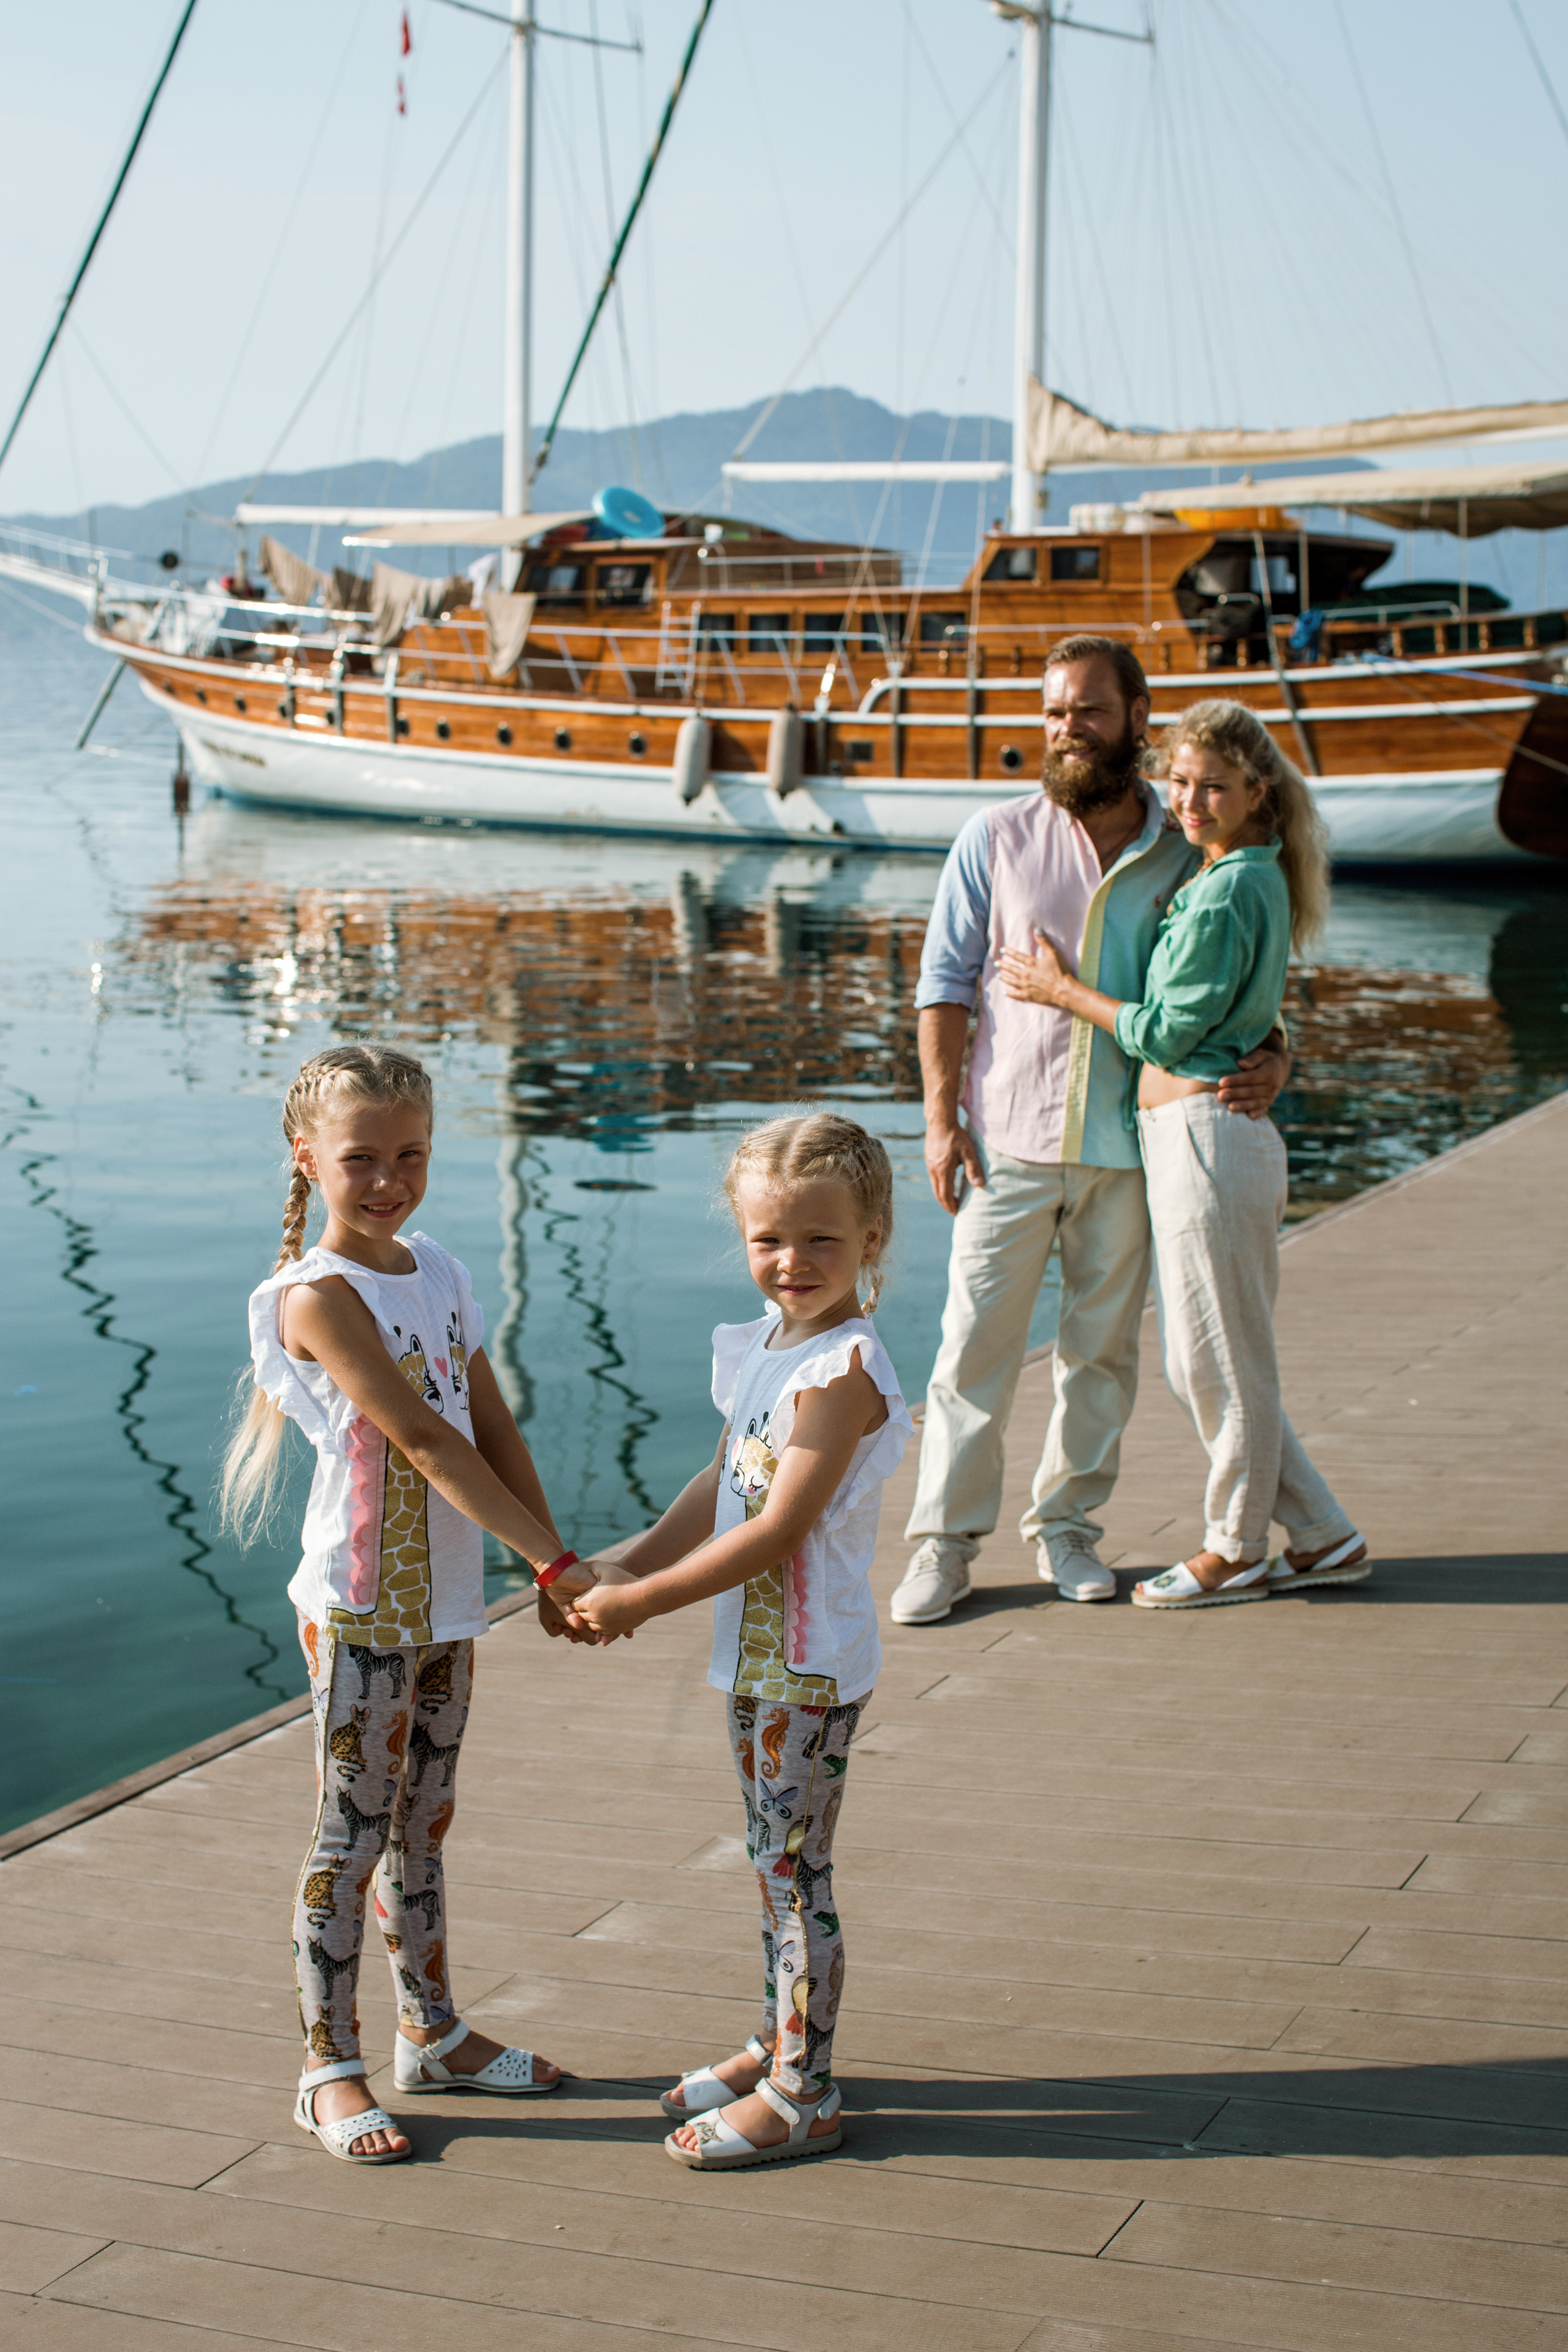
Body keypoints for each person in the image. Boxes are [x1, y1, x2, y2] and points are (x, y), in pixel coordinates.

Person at [222, 1043, 598, 2164]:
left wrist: (549, 1559)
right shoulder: (315, 1296)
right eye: (361, 1159)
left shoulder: (436, 1267)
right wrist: (551, 1565)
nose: (389, 1179)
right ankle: (326, 2066)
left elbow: (490, 1423)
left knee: (423, 1825)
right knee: (349, 1833)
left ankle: (430, 2033)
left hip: (445, 1608)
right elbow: (425, 1441)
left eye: (412, 1155)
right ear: (308, 1159)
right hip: (360, 1611)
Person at [892, 635, 1289, 1625]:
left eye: (1089, 712)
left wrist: (1279, 1051)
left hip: (1131, 1149)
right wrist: (941, 1121)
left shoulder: (1187, 840)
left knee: (1100, 1358)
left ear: (1138, 717)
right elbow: (943, 988)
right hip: (1007, 1141)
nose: (1068, 731)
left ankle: (1068, 1530)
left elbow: (1235, 970)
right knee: (972, 1353)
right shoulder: (995, 835)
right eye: (1055, 713)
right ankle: (943, 1546)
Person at [569, 1112, 913, 2168]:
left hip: (806, 1666)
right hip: (759, 1664)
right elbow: (721, 1485)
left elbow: (778, 1529)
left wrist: (644, 1604)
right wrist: (628, 1560)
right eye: (770, 1239)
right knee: (772, 1863)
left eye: (821, 1239)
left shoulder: (844, 1366)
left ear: (872, 1237)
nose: (792, 1262)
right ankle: (777, 2040)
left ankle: (807, 2091)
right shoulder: (770, 1345)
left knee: (794, 1871)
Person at [1013, 699, 1369, 1605]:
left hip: (1206, 1138)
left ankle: (1235, 1546)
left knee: (1218, 1362)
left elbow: (1167, 1031)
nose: (1191, 799)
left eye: (1214, 785)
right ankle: (1321, 1534)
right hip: (1195, 1139)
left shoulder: (1233, 885)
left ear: (1258, 792)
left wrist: (1061, 992)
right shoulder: (1229, 879)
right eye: (1179, 781)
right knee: (1209, 1360)